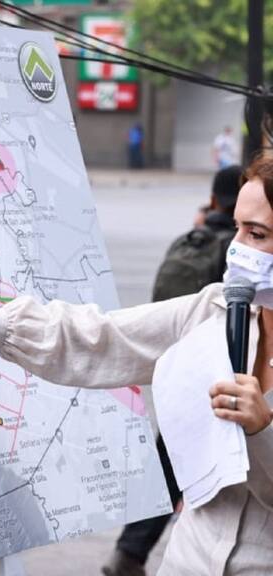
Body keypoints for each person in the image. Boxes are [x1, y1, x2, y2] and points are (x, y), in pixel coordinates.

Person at [0, 154, 273, 575]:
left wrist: (260, 430)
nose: (236, 250)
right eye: (236, 228)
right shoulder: (213, 311)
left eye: (256, 234)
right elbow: (90, 338)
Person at [101, 164, 243, 576]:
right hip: (221, 384)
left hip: (180, 372)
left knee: (169, 463)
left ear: (213, 200)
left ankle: (129, 553)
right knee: (191, 470)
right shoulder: (234, 253)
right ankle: (134, 553)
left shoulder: (191, 239)